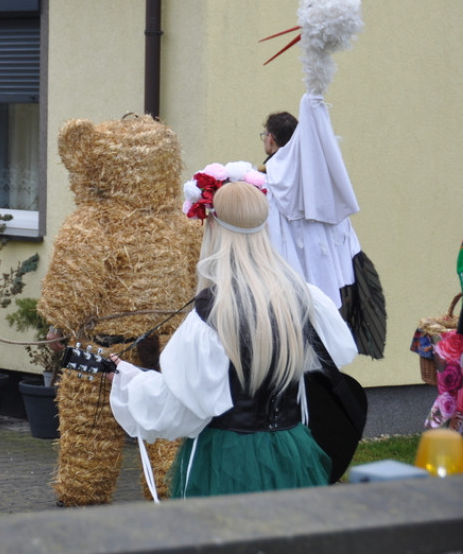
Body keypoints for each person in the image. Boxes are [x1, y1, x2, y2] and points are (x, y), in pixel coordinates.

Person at [109, 180, 358, 498]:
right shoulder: (303, 297)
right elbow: (334, 356)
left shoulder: (213, 312)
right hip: (291, 447)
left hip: (228, 455)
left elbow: (183, 406)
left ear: (214, 229)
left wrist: (129, 379)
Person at [263, 96, 386, 358]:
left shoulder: (267, 180)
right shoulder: (320, 173)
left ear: (271, 138)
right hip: (326, 272)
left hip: (289, 276)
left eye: (264, 134)